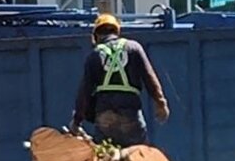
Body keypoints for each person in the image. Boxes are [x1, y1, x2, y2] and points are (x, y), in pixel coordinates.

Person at [71, 13, 169, 147]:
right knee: (139, 155)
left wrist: (77, 121)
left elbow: (84, 92)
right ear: (117, 31)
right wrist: (160, 102)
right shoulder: (134, 47)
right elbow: (149, 77)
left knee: (104, 158)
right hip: (130, 113)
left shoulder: (94, 55)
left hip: (105, 115)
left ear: (96, 36)